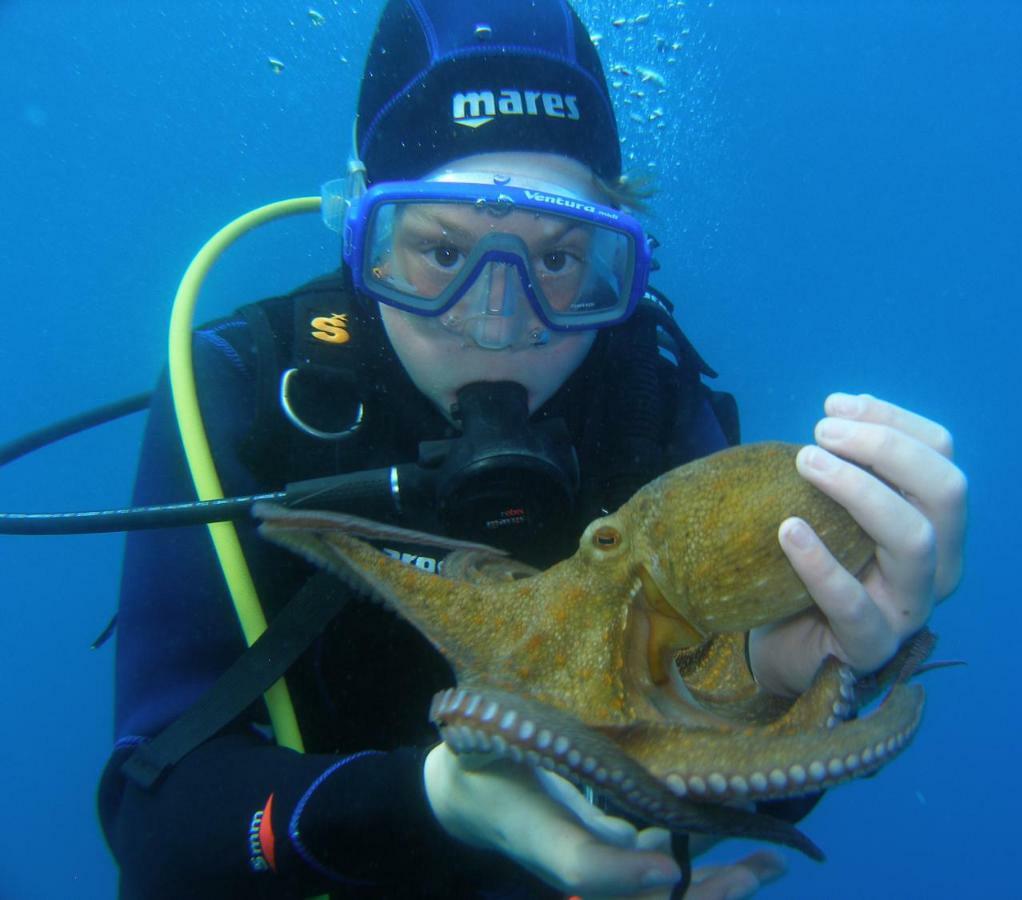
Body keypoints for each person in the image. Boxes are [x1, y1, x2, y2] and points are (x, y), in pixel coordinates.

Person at [98, 1, 968, 898]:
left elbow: (735, 785)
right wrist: (431, 798)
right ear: (363, 237)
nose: (499, 323)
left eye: (558, 262)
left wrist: (780, 677)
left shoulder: (650, 410)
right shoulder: (251, 390)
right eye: (442, 250)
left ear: (615, 263)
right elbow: (155, 826)